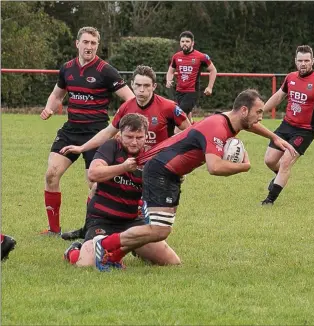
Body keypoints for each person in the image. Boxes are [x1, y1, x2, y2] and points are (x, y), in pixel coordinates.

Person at [90, 89, 297, 270]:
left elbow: (250, 125)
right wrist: (244, 167)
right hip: (160, 171)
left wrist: (274, 137)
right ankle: (106, 247)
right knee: (159, 230)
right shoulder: (217, 127)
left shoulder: (229, 120)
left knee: (160, 232)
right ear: (244, 110)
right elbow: (214, 167)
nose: (261, 116)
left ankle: (113, 254)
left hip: (170, 173)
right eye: (258, 112)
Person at [59, 65, 191, 240]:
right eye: (138, 85)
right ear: (132, 85)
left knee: (159, 211)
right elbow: (108, 132)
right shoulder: (126, 107)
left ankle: (143, 239)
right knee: (96, 188)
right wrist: (82, 148)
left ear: (154, 87)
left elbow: (190, 134)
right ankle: (89, 228)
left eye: (146, 85)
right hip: (129, 165)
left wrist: (178, 163)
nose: (141, 90)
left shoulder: (168, 107)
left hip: (158, 168)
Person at [40, 26, 135, 235]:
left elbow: (130, 99)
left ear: (97, 46)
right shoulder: (67, 68)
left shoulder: (106, 71)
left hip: (97, 133)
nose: (89, 47)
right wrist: (49, 107)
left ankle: (89, 229)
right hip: (71, 130)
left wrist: (118, 125)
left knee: (94, 184)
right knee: (51, 175)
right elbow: (57, 95)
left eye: (93, 43)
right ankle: (53, 230)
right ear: (77, 44)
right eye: (85, 42)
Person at [63, 113, 180, 270]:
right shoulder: (111, 147)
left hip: (132, 222)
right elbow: (93, 174)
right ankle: (74, 250)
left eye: (139, 137)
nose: (134, 142)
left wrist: (172, 178)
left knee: (172, 262)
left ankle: (135, 249)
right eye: (129, 136)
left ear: (147, 136)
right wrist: (123, 167)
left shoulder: (150, 158)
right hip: (102, 220)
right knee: (86, 265)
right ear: (120, 135)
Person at [260, 45, 314, 206]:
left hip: (305, 131)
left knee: (285, 162)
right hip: (286, 126)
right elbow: (278, 97)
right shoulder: (290, 77)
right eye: (300, 60)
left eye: (307, 60)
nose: (303, 64)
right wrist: (260, 111)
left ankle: (269, 200)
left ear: (313, 61)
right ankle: (281, 177)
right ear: (295, 61)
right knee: (269, 160)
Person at [166, 30, 217, 124]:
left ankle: (177, 136)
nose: (184, 44)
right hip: (179, 91)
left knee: (178, 116)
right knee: (185, 115)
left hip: (192, 92)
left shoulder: (201, 57)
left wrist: (210, 87)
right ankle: (192, 127)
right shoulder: (176, 57)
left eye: (187, 41)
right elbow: (170, 71)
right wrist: (168, 80)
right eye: (182, 41)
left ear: (192, 43)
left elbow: (213, 70)